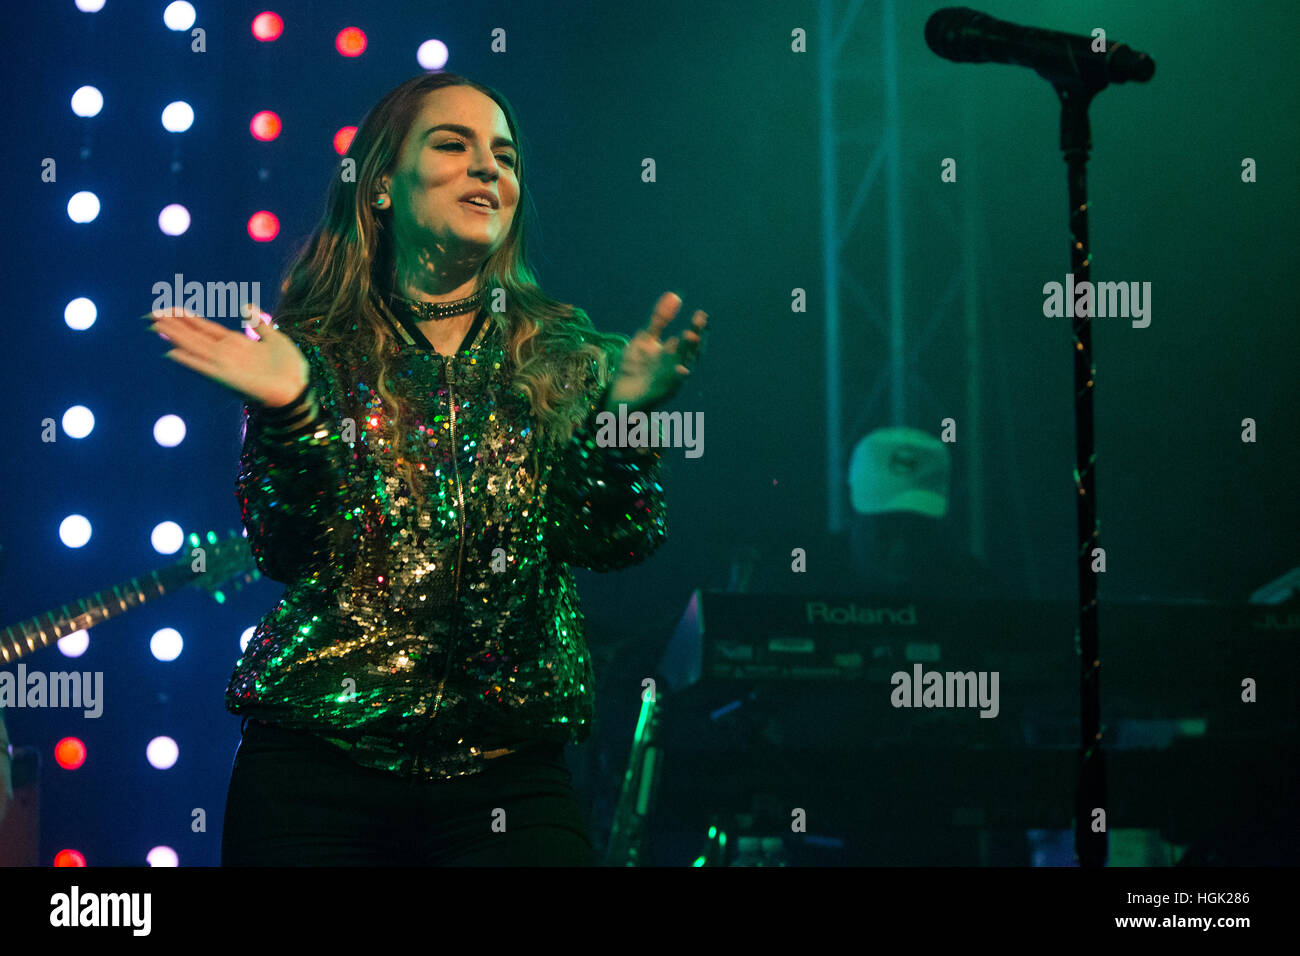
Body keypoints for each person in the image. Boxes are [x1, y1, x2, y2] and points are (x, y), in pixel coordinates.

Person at [146, 72, 707, 866]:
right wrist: (292, 414)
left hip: (507, 778)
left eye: (504, 156)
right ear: (380, 185)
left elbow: (611, 540)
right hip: (316, 770)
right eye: (454, 145)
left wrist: (624, 421)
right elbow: (287, 547)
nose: (489, 169)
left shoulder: (568, 356)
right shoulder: (313, 354)